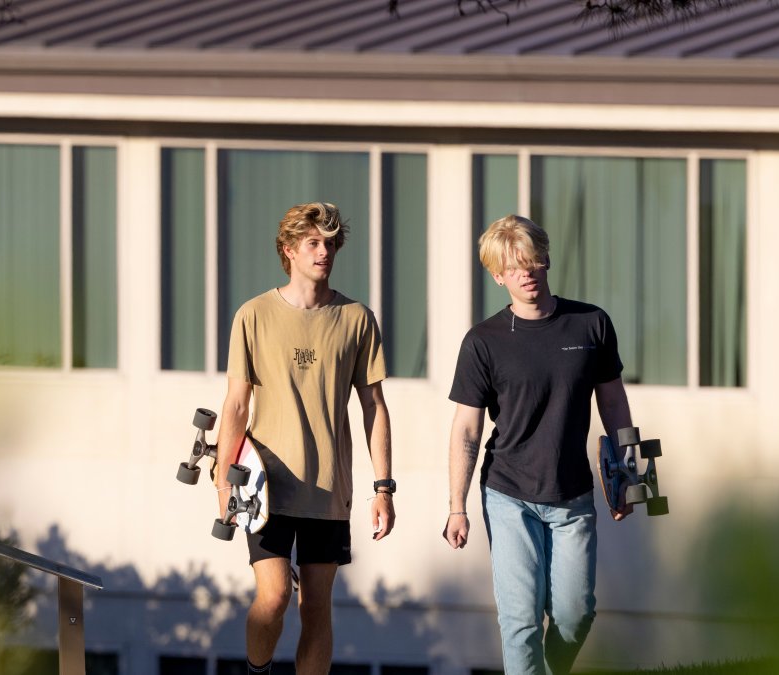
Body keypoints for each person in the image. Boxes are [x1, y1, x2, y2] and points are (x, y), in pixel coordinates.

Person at [441, 214, 635, 675]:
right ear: (498, 275)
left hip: (572, 495)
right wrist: (456, 505)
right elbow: (466, 429)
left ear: (545, 259)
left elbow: (614, 403)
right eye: (513, 266)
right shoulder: (483, 342)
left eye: (531, 260)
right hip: (508, 494)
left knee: (575, 615)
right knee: (520, 621)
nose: (525, 272)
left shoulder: (590, 325)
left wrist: (628, 479)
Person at [213, 202, 395, 675]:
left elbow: (374, 405)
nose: (324, 251)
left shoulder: (357, 318)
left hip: (329, 488)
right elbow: (236, 405)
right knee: (272, 598)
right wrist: (221, 483)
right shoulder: (253, 315)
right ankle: (257, 670)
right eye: (314, 242)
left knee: (315, 607)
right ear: (289, 250)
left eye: (331, 243)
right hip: (263, 487)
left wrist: (384, 487)